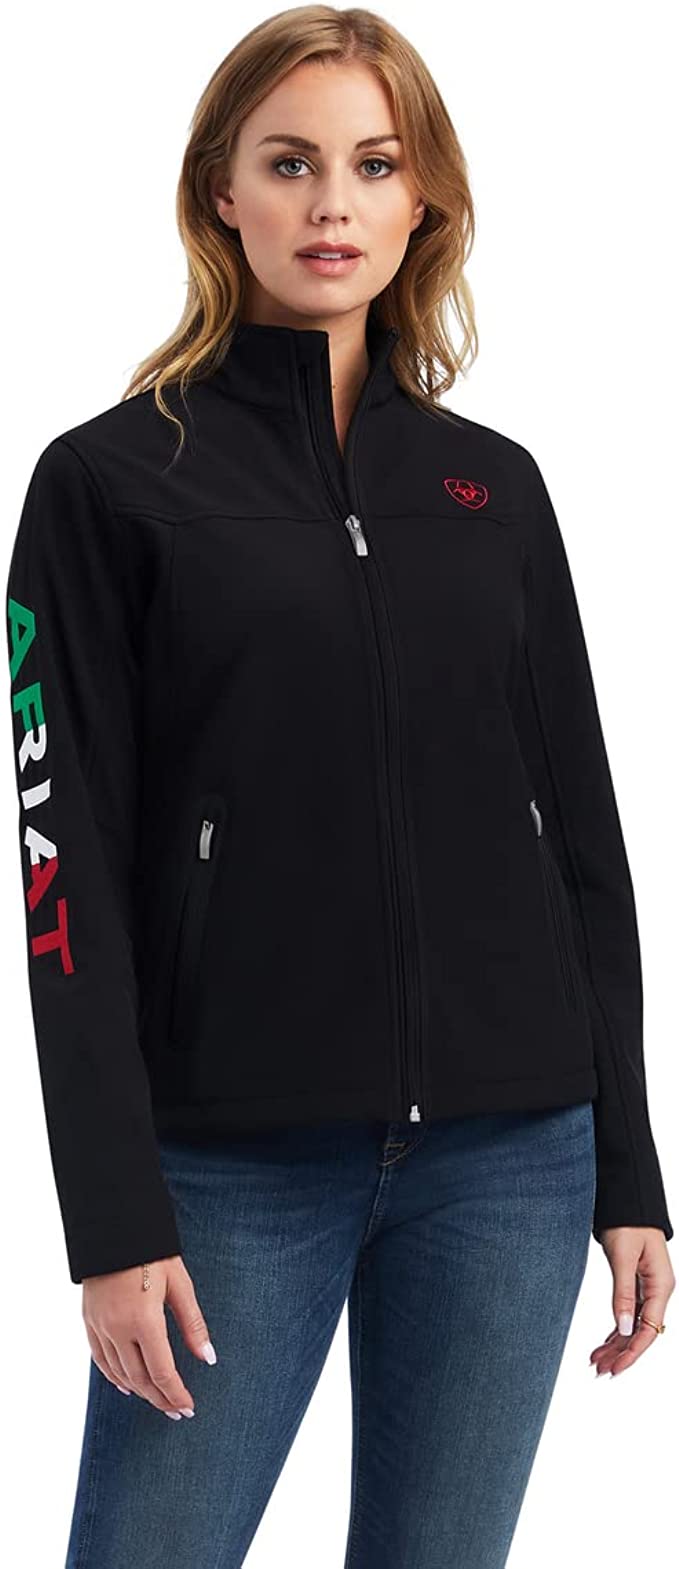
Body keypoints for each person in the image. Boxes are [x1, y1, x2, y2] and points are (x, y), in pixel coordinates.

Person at [4, 7, 674, 1567]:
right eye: (290, 163)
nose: (332, 205)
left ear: (421, 196)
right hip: (232, 1162)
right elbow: (59, 870)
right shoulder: (110, 482)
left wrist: (629, 1166)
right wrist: (113, 1216)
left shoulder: (491, 488)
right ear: (219, 192)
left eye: (374, 166)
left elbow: (583, 838)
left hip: (511, 1155)